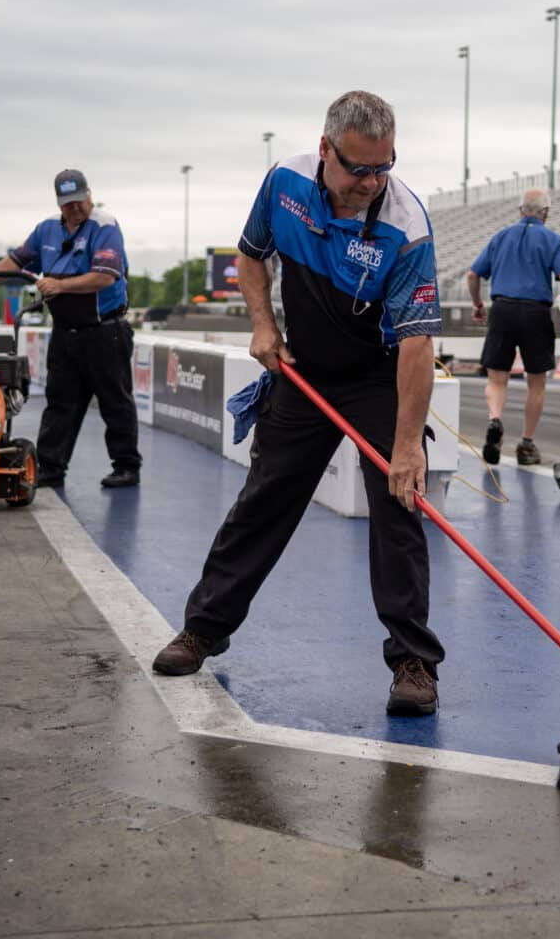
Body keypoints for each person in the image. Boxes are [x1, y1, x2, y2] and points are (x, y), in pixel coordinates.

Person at [152, 90, 445, 716]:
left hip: (379, 377)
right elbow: (251, 257)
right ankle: (204, 627)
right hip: (305, 373)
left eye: (384, 167)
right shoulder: (282, 183)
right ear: (324, 150)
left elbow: (418, 344)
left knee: (398, 508)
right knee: (263, 501)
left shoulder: (406, 225)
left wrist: (405, 446)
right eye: (359, 167)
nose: (371, 181)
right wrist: (263, 326)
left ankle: (414, 662)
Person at [0, 169, 140, 488]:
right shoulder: (47, 230)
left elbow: (105, 276)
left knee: (114, 400)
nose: (75, 208)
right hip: (66, 333)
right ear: (59, 203)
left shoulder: (104, 227)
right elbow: (16, 262)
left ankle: (126, 466)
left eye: (79, 201)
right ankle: (50, 468)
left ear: (89, 196)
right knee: (60, 401)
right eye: (68, 204)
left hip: (106, 331)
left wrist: (60, 287)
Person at [466, 188, 560, 465]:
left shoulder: (500, 236)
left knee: (496, 378)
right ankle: (526, 444)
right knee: (536, 382)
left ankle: (495, 420)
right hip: (535, 312)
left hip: (502, 309)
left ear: (520, 210)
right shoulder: (553, 239)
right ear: (545, 212)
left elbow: (473, 273)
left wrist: (477, 304)